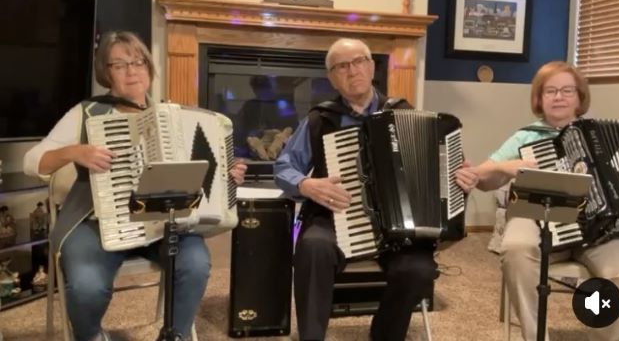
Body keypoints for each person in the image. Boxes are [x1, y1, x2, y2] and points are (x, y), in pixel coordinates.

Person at [23, 31, 247, 341]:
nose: (132, 71)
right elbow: (31, 161)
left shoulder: (173, 116)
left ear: (149, 68)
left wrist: (226, 178)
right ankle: (91, 336)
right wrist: (75, 152)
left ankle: (177, 336)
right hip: (96, 222)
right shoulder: (87, 113)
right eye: (120, 64)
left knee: (195, 264)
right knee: (86, 285)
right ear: (107, 72)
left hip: (164, 221)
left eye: (139, 62)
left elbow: (197, 173)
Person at [453, 61, 619, 340]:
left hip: (601, 231)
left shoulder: (603, 138)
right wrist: (505, 167)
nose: (558, 97)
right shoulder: (527, 136)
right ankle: (535, 336)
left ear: (580, 97)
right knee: (516, 248)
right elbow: (483, 179)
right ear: (539, 99)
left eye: (567, 90)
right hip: (537, 218)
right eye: (550, 91)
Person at [274, 38, 478, 340]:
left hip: (399, 225)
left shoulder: (404, 113)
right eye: (341, 66)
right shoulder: (320, 119)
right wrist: (305, 183)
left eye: (358, 61)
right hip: (335, 215)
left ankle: (384, 334)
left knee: (418, 270)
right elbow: (282, 167)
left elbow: (443, 173)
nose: (352, 70)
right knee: (312, 248)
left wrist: (462, 178)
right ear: (331, 77)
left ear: (371, 67)